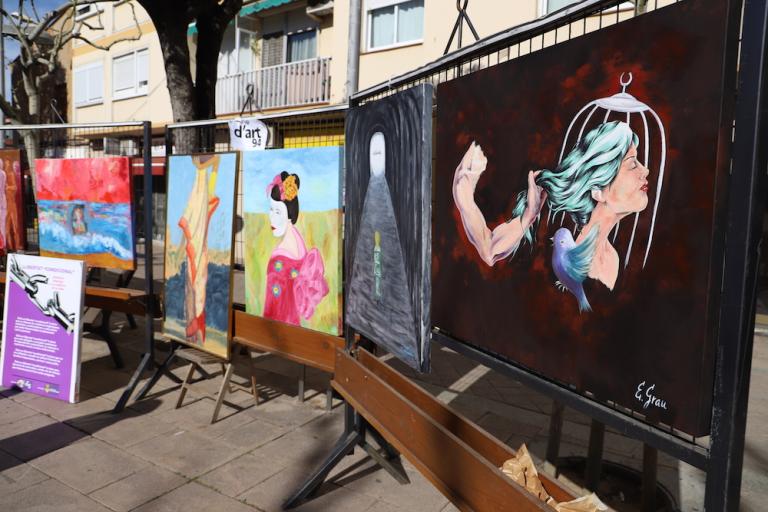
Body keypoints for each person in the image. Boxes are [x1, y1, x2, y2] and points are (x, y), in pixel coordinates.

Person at [453, 120, 649, 291]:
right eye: (632, 163)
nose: (646, 170)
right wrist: (464, 191)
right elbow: (489, 250)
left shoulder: (613, 260)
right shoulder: (547, 240)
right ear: (598, 189)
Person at [263, 171, 329, 326]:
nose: (272, 217)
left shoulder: (278, 262)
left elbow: (271, 311)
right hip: (295, 326)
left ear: (290, 214)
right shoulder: (299, 241)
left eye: (278, 211)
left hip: (281, 328)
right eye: (271, 209)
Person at [178, 156, 220, 346]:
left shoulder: (203, 198)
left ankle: (194, 325)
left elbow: (207, 193)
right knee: (193, 285)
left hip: (198, 249)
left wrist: (210, 168)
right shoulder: (199, 196)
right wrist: (210, 168)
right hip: (195, 249)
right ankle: (192, 325)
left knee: (196, 284)